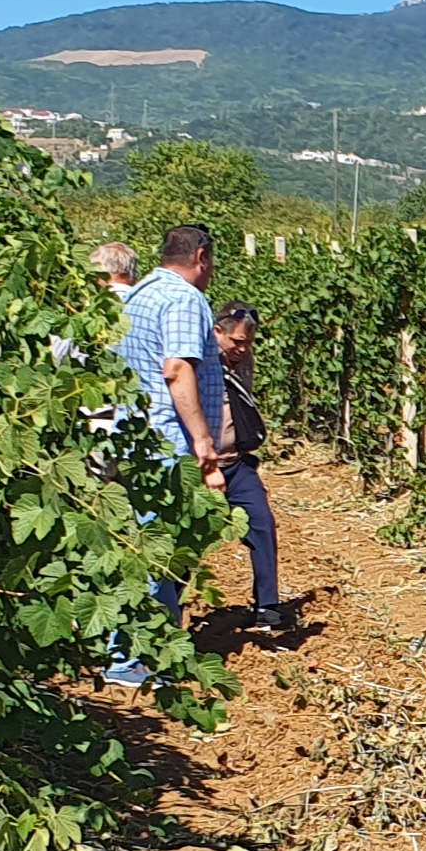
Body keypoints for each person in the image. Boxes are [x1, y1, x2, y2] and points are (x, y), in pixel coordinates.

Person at [107, 224, 223, 687]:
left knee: (141, 548)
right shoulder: (182, 298)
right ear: (201, 256)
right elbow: (176, 370)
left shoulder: (140, 294)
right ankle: (142, 660)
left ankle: (126, 652)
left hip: (136, 439)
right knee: (161, 552)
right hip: (166, 445)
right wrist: (202, 439)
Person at [215, 301, 283, 637]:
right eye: (236, 342)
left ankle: (267, 606)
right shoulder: (198, 365)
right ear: (217, 333)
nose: (242, 349)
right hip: (199, 466)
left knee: (261, 523)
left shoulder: (243, 363)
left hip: (235, 463)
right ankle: (173, 613)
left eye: (248, 343)